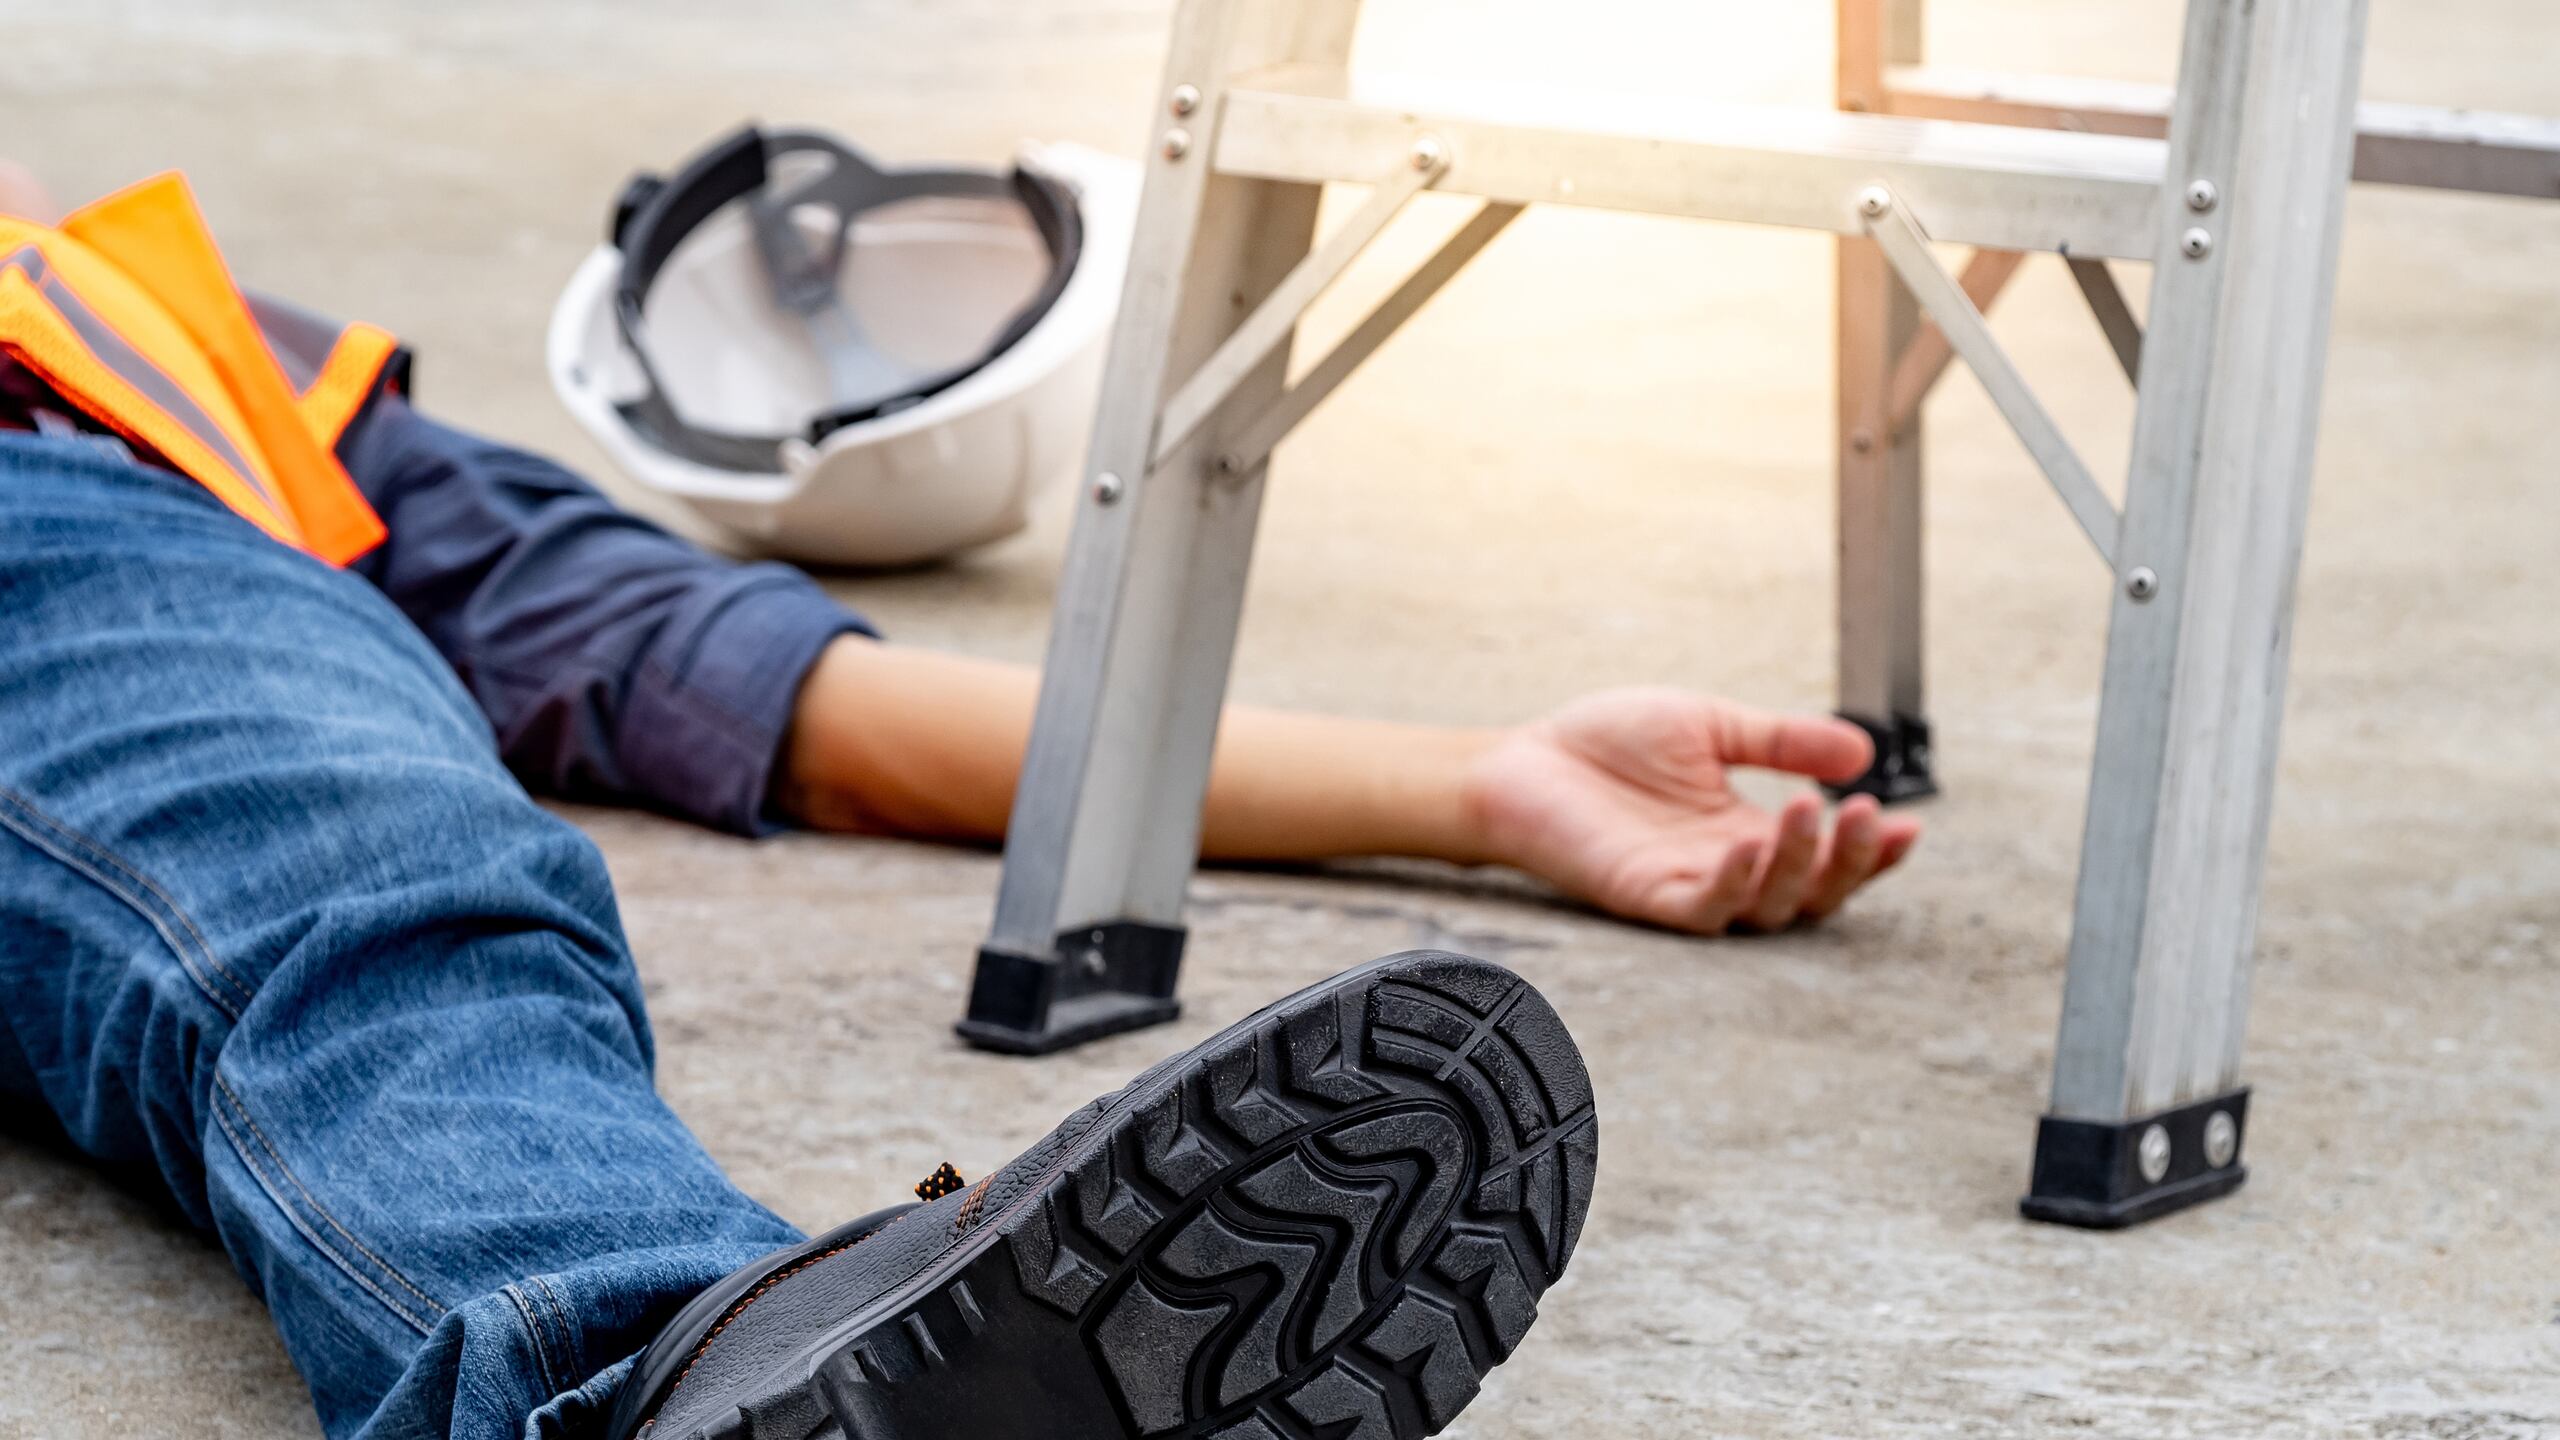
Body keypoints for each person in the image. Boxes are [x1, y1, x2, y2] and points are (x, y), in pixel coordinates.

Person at [0, 163, 1919, 1440]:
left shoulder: (163, 347)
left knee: (386, 876)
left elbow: (734, 679)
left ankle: (714, 1381)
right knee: (372, 896)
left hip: (115, 527)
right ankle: (644, 1363)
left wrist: (1486, 789)